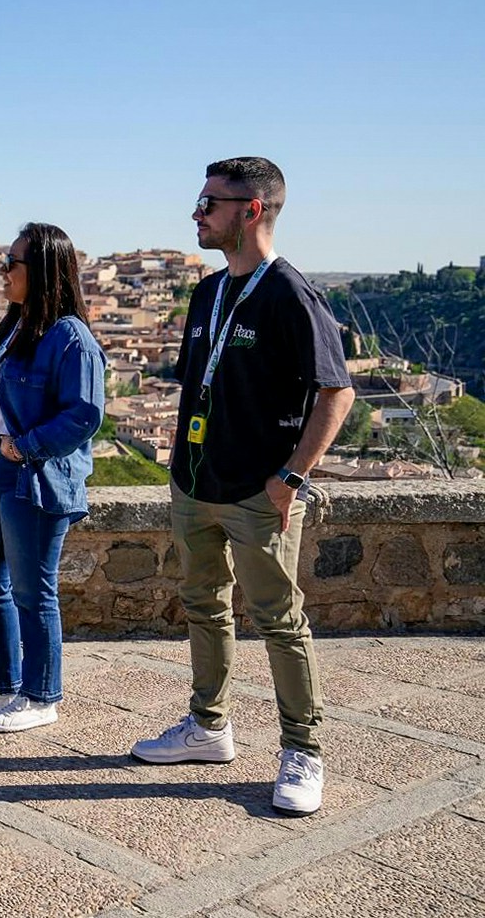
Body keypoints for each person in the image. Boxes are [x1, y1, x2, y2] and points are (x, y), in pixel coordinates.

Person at [130, 157, 353, 817]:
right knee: (204, 607)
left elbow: (335, 393)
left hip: (260, 491)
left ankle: (303, 750)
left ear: (251, 210)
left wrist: (291, 477)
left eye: (210, 203)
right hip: (197, 484)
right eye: (200, 201)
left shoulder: (290, 294)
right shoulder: (207, 293)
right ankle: (208, 727)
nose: (197, 213)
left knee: (280, 623)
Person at [0, 223, 105, 732]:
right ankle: (1, 683)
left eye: (11, 263)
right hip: (0, 470)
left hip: (36, 475)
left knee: (33, 591)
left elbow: (84, 414)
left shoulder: (70, 338)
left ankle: (41, 696)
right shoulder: (16, 325)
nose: (3, 271)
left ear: (42, 270)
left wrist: (23, 446)